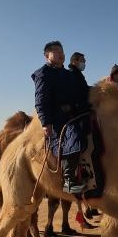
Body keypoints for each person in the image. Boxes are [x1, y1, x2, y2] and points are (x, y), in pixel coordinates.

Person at [32, 41, 91, 195]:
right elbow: (40, 101)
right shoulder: (43, 74)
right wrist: (46, 123)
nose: (61, 53)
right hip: (58, 118)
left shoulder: (69, 74)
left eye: (62, 50)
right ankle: (68, 180)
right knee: (73, 136)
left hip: (77, 113)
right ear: (47, 56)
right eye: (56, 51)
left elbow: (83, 91)